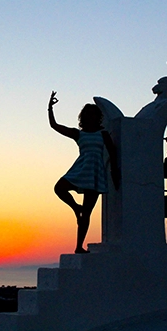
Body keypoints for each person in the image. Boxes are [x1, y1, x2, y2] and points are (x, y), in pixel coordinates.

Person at [48, 91, 120, 254]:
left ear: (98, 117)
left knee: (86, 214)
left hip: (95, 173)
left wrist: (114, 171)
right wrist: (50, 109)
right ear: (84, 117)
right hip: (81, 169)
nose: (90, 116)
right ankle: (75, 207)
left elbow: (113, 152)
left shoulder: (103, 134)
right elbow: (55, 126)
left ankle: (79, 246)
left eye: (93, 114)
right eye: (87, 114)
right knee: (59, 188)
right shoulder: (78, 134)